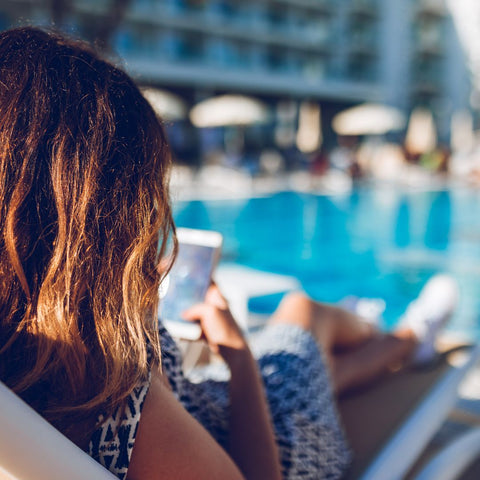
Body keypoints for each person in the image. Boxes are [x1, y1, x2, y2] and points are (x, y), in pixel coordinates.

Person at [0, 27, 459, 480]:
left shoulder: (31, 351)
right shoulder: (113, 393)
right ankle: (405, 336)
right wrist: (238, 354)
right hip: (287, 447)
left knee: (312, 364)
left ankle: (385, 345)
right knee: (301, 313)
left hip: (207, 410)